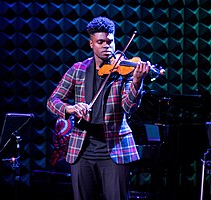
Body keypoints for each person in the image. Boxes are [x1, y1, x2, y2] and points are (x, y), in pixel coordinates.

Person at [47, 16, 150, 200]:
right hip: (82, 150)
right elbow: (52, 100)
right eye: (100, 42)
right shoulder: (78, 69)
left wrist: (136, 81)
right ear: (91, 44)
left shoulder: (124, 71)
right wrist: (69, 109)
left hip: (115, 148)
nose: (106, 46)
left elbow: (129, 107)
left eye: (110, 41)